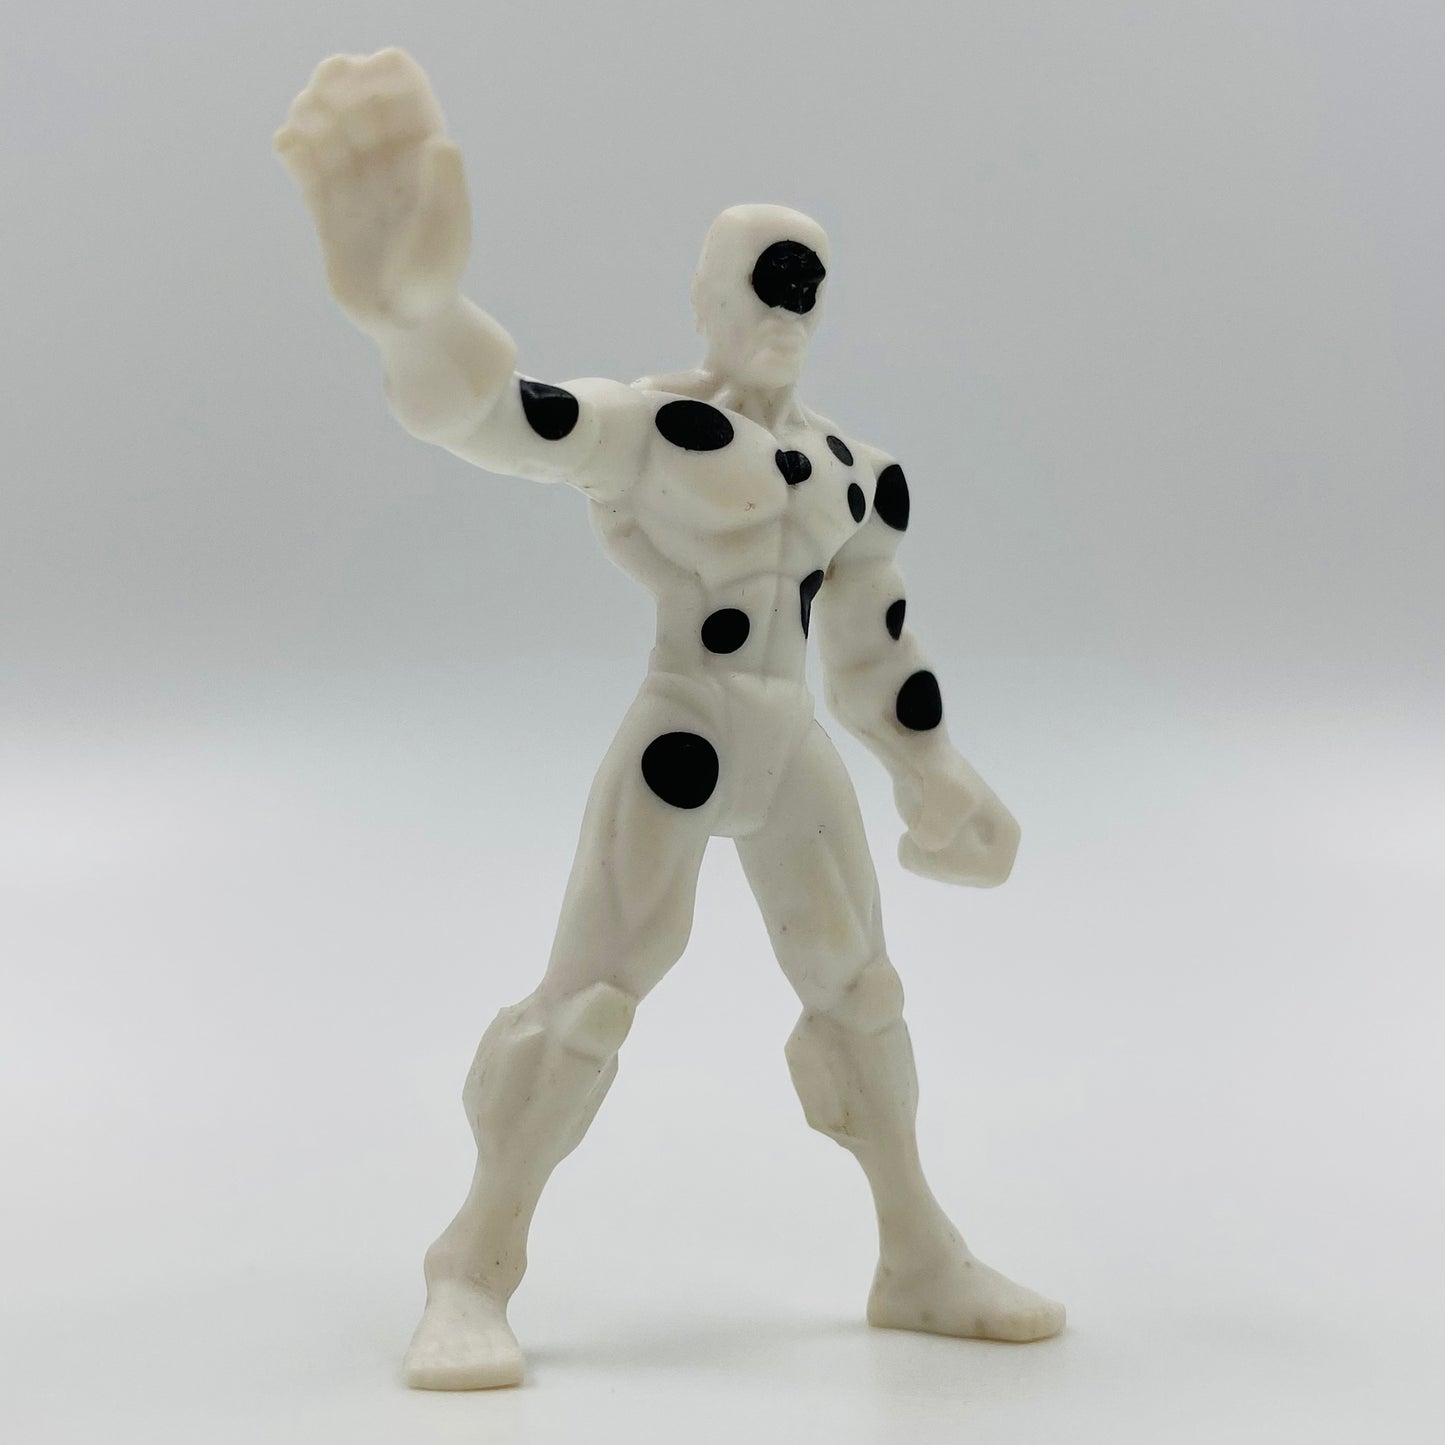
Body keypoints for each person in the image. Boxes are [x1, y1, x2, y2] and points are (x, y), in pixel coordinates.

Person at [276, 47, 1064, 1390]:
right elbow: (496, 420)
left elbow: (875, 641)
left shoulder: (858, 472)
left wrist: (936, 769)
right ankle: (470, 1266)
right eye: (760, 276)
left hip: (789, 744)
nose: (784, 301)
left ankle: (918, 1255)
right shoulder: (647, 429)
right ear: (705, 297)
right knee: (588, 1003)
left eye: (804, 282)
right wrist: (417, 318)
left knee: (862, 993)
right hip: (683, 733)